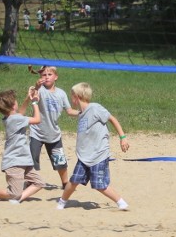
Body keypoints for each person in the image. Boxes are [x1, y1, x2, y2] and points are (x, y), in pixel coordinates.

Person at [56, 82, 130, 211]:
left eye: (71, 95)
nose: (70, 98)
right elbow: (70, 112)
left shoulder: (95, 108)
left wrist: (122, 138)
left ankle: (121, 202)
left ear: (77, 96)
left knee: (99, 185)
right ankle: (62, 202)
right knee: (74, 181)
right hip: (85, 156)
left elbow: (112, 119)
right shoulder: (81, 113)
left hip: (98, 154)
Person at [0, 88, 45, 203]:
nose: (17, 102)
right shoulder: (16, 119)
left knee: (39, 183)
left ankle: (18, 199)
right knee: (14, 193)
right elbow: (37, 119)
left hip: (23, 160)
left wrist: (27, 99)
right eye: (16, 101)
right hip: (15, 162)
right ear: (13, 106)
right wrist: (35, 102)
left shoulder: (10, 118)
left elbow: (20, 113)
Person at [26, 66, 79, 190]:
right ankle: (30, 182)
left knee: (60, 161)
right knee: (32, 160)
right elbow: (34, 92)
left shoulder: (61, 93)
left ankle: (65, 183)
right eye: (44, 75)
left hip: (53, 134)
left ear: (56, 77)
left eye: (49, 74)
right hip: (37, 132)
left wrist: (82, 113)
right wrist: (37, 85)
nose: (46, 77)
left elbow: (69, 110)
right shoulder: (40, 90)